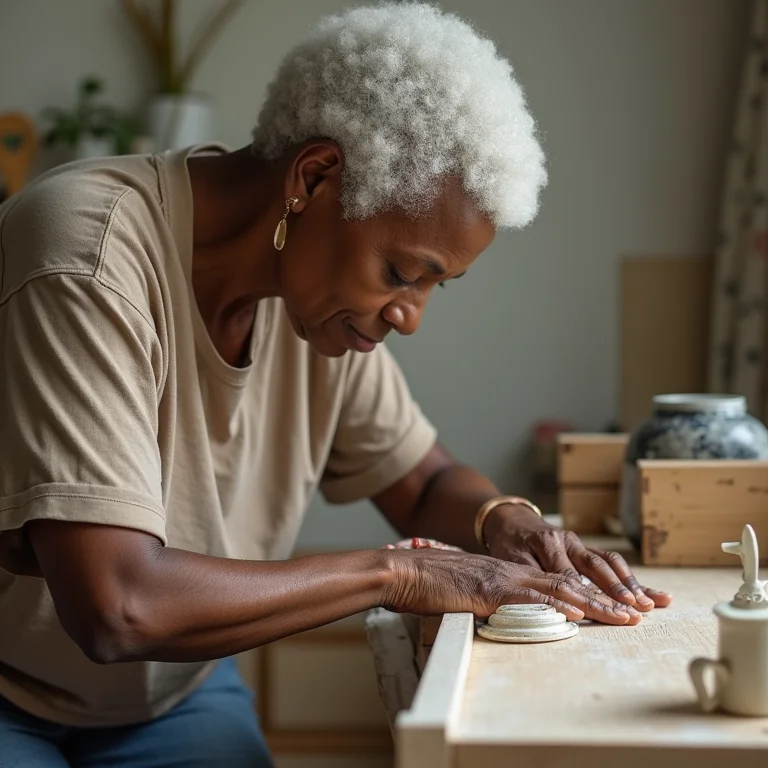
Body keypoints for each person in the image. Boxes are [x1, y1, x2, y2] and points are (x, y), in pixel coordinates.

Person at [0, 3, 672, 766]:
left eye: (433, 287)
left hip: (169, 694)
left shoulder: (309, 305)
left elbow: (422, 481)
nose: (408, 317)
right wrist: (400, 572)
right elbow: (118, 604)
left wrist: (504, 521)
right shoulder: (83, 256)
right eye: (400, 274)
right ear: (314, 178)